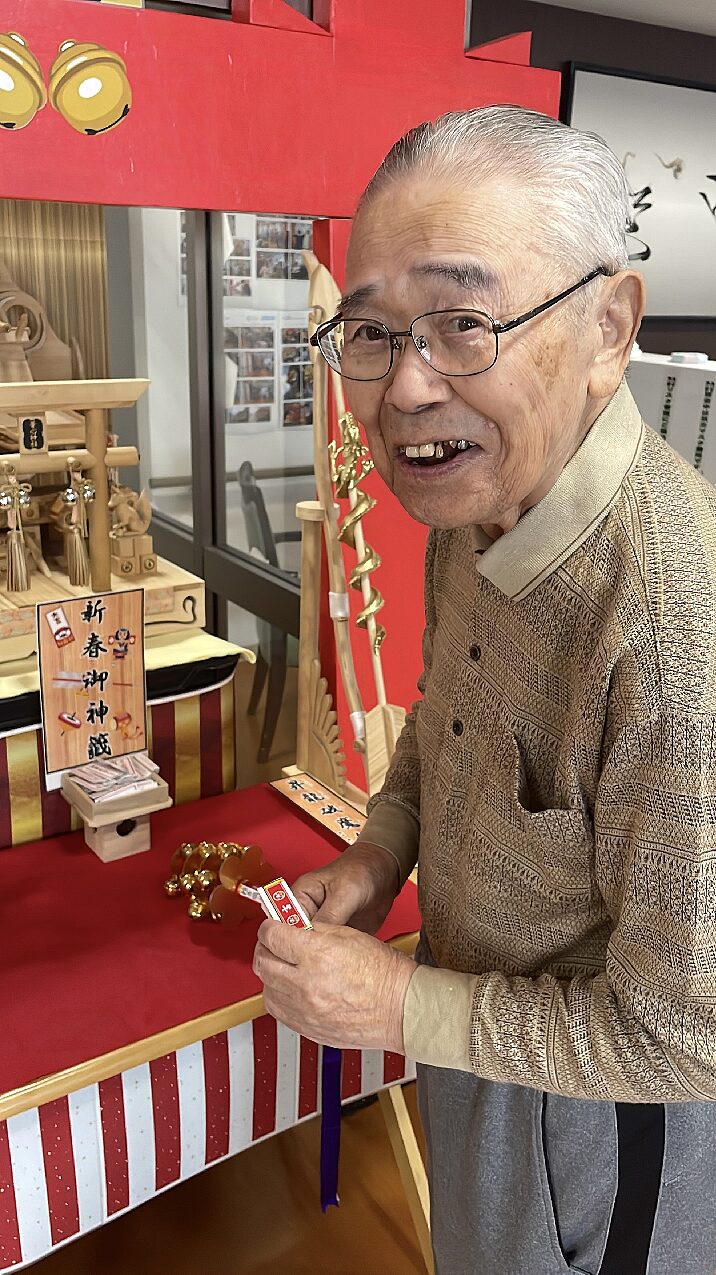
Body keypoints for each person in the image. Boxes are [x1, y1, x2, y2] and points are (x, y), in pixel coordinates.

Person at [252, 105, 716, 1274]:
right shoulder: (472, 505)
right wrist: (377, 856)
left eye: (463, 324)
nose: (405, 389)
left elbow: (687, 1037)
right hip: (476, 1041)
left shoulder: (671, 633)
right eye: (370, 333)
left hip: (609, 1121)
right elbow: (440, 723)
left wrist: (396, 1007)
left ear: (607, 327)